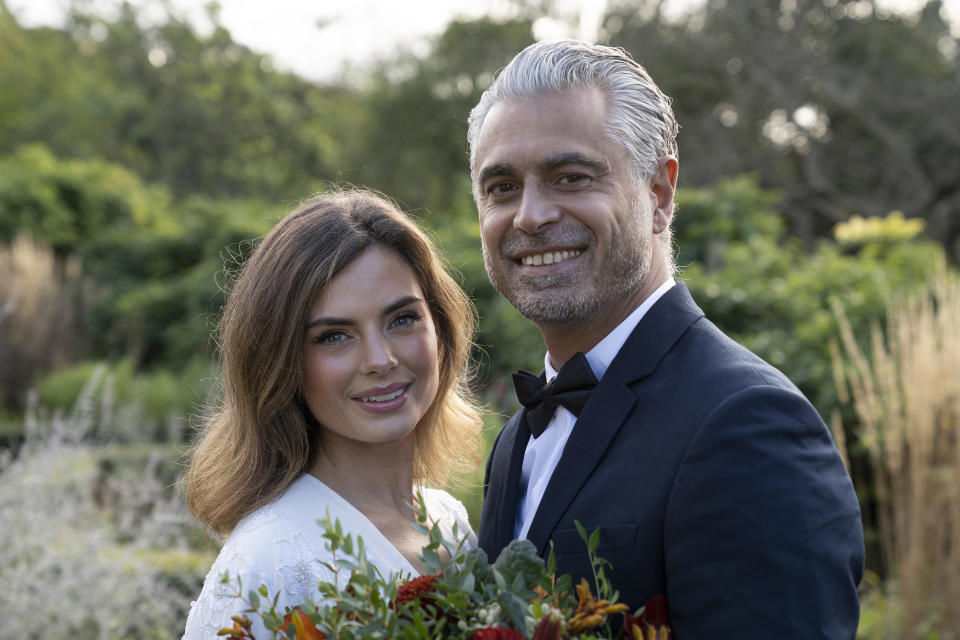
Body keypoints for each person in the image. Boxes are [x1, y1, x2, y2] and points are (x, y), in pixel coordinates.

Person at [468, 40, 864, 637]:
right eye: (501, 188)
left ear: (659, 194)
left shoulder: (747, 424)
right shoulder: (518, 438)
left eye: (570, 177)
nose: (528, 215)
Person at [181, 189, 482, 638]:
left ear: (439, 327)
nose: (379, 359)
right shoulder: (267, 561)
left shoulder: (450, 522)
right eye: (334, 336)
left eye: (402, 320)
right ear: (281, 362)